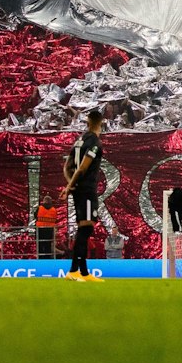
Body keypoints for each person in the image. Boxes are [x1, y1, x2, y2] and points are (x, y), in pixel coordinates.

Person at [63, 111, 106, 280]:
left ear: (87, 122)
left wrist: (71, 184)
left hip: (79, 189)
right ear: (101, 123)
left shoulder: (79, 140)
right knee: (86, 228)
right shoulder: (95, 142)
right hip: (87, 189)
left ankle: (84, 272)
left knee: (83, 228)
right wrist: (69, 186)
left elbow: (67, 166)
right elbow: (82, 167)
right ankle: (73, 271)